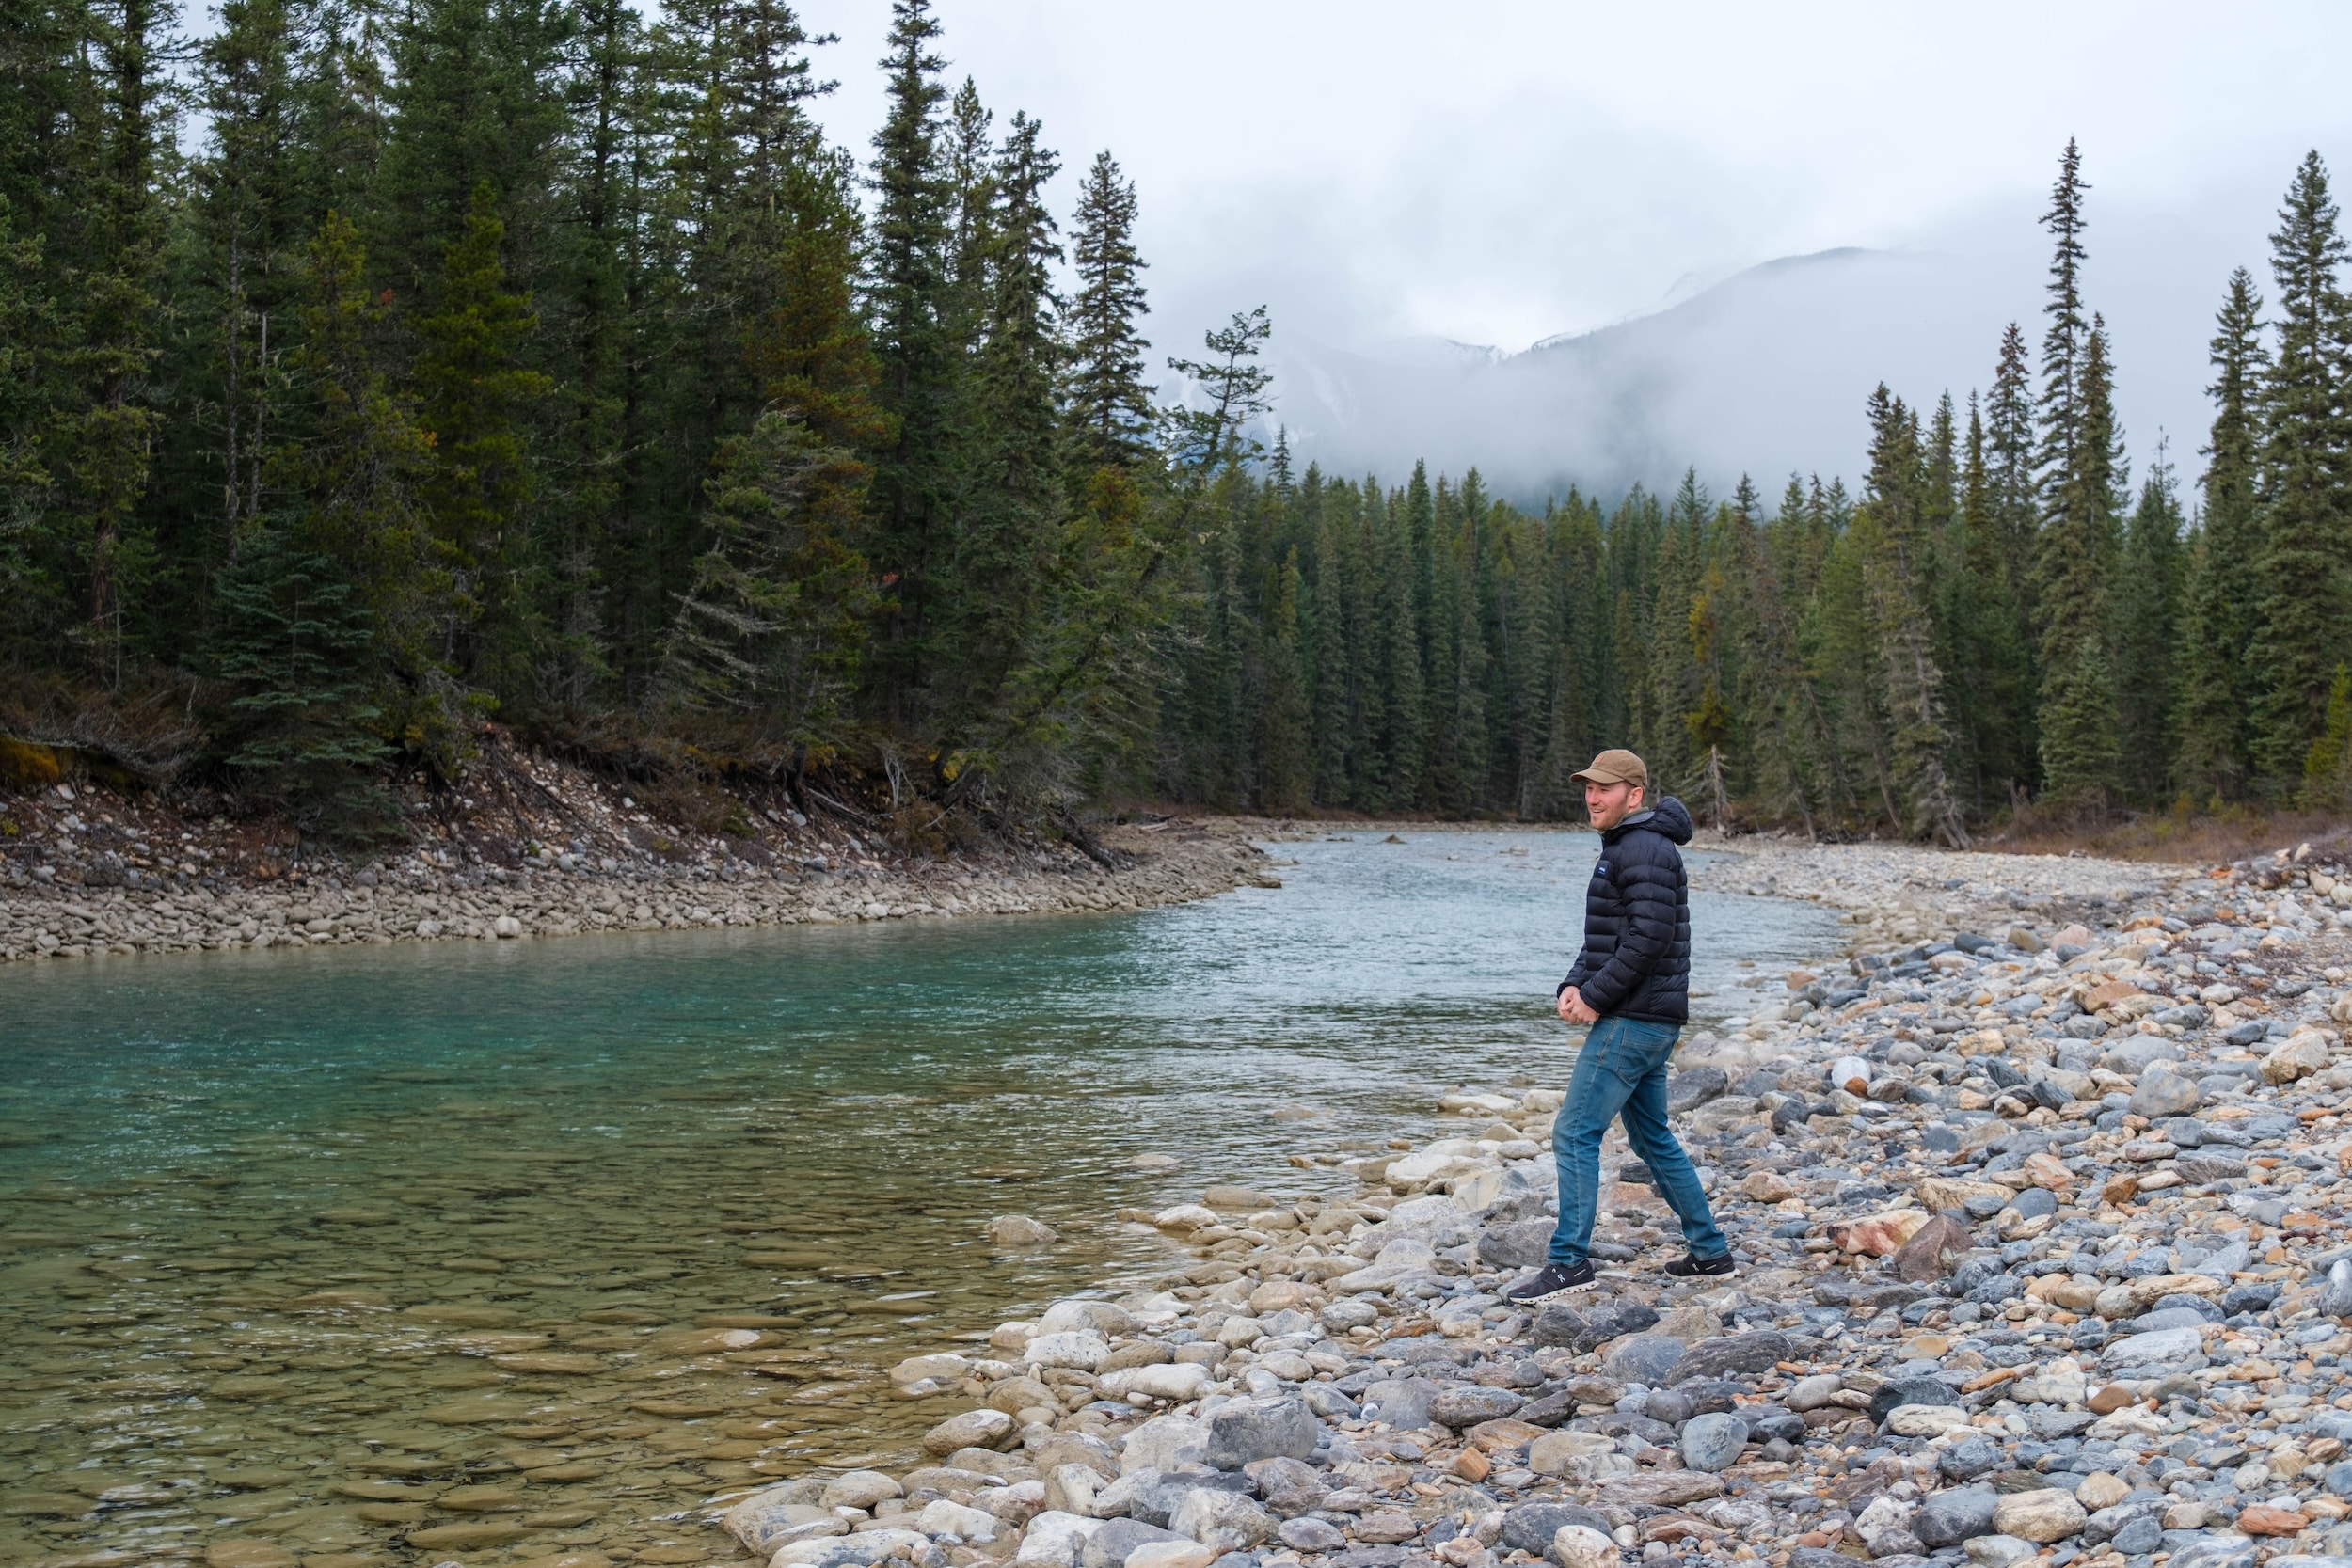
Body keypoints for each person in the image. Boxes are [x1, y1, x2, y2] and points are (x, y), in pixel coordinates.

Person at [1506, 748, 1730, 1302]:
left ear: (1634, 795)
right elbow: (1605, 938)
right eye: (1588, 787)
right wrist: (1573, 984)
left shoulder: (1644, 849)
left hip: (1634, 1020)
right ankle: (1710, 1251)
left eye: (1604, 788)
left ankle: (1568, 1264)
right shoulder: (1629, 847)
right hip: (1649, 1018)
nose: (1592, 797)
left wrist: (1599, 998)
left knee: (1574, 1131)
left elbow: (1648, 940)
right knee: (1651, 1135)